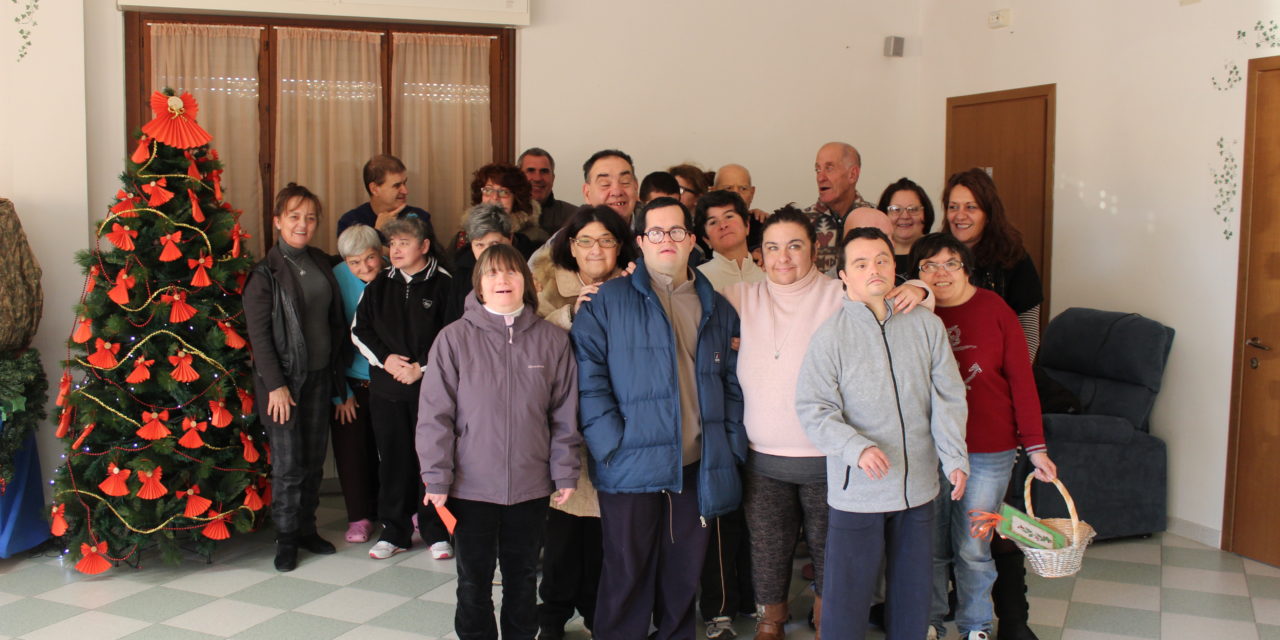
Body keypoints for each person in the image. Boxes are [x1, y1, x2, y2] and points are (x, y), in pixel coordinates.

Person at [723, 207, 932, 640]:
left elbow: (901, 297)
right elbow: (687, 298)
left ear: (814, 250)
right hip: (763, 458)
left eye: (794, 246)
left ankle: (826, 620)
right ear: (760, 254)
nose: (783, 257)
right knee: (767, 548)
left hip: (830, 456)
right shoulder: (742, 296)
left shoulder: (839, 292)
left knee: (830, 551)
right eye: (772, 248)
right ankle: (771, 620)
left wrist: (920, 287)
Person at [571, 197, 746, 640]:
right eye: (655, 232)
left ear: (691, 240)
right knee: (626, 574)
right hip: (629, 462)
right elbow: (588, 380)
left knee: (682, 575)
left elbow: (730, 384)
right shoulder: (607, 302)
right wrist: (611, 443)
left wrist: (728, 444)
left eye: (676, 231)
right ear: (640, 241)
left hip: (695, 465)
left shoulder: (718, 308)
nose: (666, 239)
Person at [796, 227, 968, 640]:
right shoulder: (830, 337)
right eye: (860, 264)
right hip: (859, 491)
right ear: (843, 276)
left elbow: (948, 396)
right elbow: (814, 410)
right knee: (847, 598)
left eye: (881, 260)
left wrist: (954, 457)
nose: (873, 269)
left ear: (895, 267)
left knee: (913, 596)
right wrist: (856, 449)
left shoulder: (926, 325)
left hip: (918, 487)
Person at [418, 243, 581, 640]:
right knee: (473, 581)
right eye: (492, 273)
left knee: (522, 579)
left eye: (511, 271)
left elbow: (564, 414)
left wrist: (564, 472)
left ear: (527, 281)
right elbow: (435, 415)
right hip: (470, 486)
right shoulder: (453, 339)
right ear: (479, 284)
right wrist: (436, 478)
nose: (502, 280)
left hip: (530, 485)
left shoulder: (551, 340)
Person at [908, 233, 1058, 640]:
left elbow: (1022, 382)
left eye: (950, 263)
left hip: (990, 449)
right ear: (917, 275)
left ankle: (975, 625)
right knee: (931, 545)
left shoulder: (995, 310)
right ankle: (931, 622)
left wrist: (1036, 447)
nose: (940, 273)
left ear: (967, 269)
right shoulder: (914, 315)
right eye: (928, 266)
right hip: (931, 450)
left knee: (973, 547)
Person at [532, 205, 637, 639]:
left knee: (603, 530)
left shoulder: (635, 285)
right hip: (563, 422)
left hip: (619, 422)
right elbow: (529, 338)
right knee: (562, 526)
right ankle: (553, 612)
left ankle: (598, 609)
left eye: (607, 240)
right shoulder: (548, 281)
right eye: (586, 241)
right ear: (571, 246)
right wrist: (572, 313)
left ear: (620, 246)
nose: (596, 249)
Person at [243, 183, 349, 572]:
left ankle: (307, 529)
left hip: (320, 377)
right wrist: (276, 386)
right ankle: (286, 539)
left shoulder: (321, 261)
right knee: (288, 466)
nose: (303, 224)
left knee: (314, 461)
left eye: (310, 217)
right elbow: (259, 339)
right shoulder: (264, 274)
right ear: (277, 221)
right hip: (284, 384)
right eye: (294, 217)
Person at [350, 215, 459, 561]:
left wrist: (420, 367)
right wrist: (386, 360)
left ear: (424, 246)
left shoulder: (445, 285)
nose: (395, 250)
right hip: (387, 391)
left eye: (404, 243)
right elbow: (359, 331)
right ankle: (394, 531)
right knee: (393, 462)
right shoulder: (378, 284)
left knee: (431, 460)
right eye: (392, 243)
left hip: (431, 392)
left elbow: (453, 336)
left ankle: (435, 531)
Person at [941, 168, 1044, 359]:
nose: (960, 216)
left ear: (988, 213)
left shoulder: (1014, 258)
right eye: (953, 207)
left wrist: (1016, 373)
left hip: (1000, 367)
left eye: (971, 207)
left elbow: (1029, 332)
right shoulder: (935, 257)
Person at [331, 225, 385, 544]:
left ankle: (400, 512)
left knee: (395, 451)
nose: (364, 267)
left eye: (370, 258)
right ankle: (359, 516)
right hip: (350, 382)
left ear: (381, 253)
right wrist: (340, 392)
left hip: (388, 381)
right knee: (352, 453)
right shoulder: (336, 279)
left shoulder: (393, 275)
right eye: (354, 262)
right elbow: (330, 339)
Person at [804, 142, 875, 275]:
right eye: (818, 170)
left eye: (829, 168)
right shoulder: (802, 222)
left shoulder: (876, 218)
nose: (820, 177)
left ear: (852, 174)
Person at [455, 163, 546, 259]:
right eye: (488, 190)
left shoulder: (535, 237)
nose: (495, 197)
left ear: (516, 198)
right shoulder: (463, 235)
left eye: (503, 192)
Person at [336, 154, 431, 238]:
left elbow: (430, 252)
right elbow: (357, 253)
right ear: (374, 189)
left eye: (404, 183)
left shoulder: (420, 218)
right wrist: (378, 231)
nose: (405, 191)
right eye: (397, 185)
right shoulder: (350, 222)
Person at [695, 189, 765, 291]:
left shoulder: (771, 271)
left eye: (729, 216)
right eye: (713, 222)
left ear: (747, 226)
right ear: (707, 240)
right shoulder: (698, 280)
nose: (723, 225)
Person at [451, 203, 515, 312]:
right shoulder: (461, 274)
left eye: (494, 244)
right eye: (480, 245)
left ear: (510, 239)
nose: (487, 253)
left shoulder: (526, 268)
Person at [877, 178, 935, 279]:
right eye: (896, 209)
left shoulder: (939, 252)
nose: (905, 216)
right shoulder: (873, 255)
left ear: (925, 214)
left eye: (913, 209)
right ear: (884, 214)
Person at [519, 147, 580, 236]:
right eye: (531, 171)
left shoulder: (573, 217)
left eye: (544, 171)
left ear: (553, 178)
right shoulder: (505, 216)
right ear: (517, 176)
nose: (537, 178)